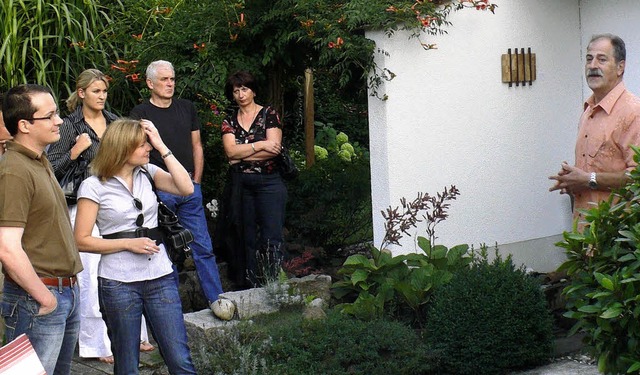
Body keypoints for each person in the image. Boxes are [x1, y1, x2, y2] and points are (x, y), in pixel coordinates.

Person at [74, 118, 197, 374]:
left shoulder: (149, 173)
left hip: (160, 276)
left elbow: (186, 188)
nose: (147, 149)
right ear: (122, 148)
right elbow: (81, 240)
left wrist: (162, 145)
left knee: (180, 359)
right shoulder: (93, 186)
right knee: (127, 364)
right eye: (142, 145)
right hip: (118, 282)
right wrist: (128, 243)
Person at [47, 69, 153, 365]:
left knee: (130, 261)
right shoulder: (69, 126)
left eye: (104, 91)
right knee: (90, 272)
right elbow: (49, 169)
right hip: (83, 203)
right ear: (81, 93)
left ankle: (137, 335)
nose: (101, 96)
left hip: (118, 200)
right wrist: (75, 151)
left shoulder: (115, 120)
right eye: (95, 91)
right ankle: (96, 343)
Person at [0, 84, 83, 375]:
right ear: (24, 125)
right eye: (49, 116)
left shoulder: (38, 159)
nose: (59, 121)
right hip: (37, 298)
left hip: (63, 293)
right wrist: (45, 298)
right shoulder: (14, 170)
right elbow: (7, 247)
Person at [130, 60, 223, 307]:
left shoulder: (187, 107)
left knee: (203, 247)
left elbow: (197, 146)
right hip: (160, 191)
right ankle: (171, 309)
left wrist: (197, 180)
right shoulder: (140, 114)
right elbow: (138, 151)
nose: (170, 83)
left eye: (172, 79)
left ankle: (218, 301)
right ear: (150, 83)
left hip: (190, 187)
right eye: (164, 79)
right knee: (165, 253)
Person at [549, 33, 640, 230]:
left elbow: (638, 177)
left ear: (620, 67)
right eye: (589, 59)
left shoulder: (633, 112)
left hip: (617, 240)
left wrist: (589, 179)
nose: (592, 66)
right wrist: (572, 181)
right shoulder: (588, 110)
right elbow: (593, 170)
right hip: (585, 233)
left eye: (602, 59)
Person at [221, 70, 287, 286]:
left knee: (271, 235)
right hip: (241, 184)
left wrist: (242, 153)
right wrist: (260, 144)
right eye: (236, 90)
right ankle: (250, 285)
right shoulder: (229, 120)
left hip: (269, 182)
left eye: (245, 89)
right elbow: (230, 152)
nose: (241, 94)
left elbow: (274, 150)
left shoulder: (269, 114)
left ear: (254, 90)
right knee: (245, 236)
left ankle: (272, 283)